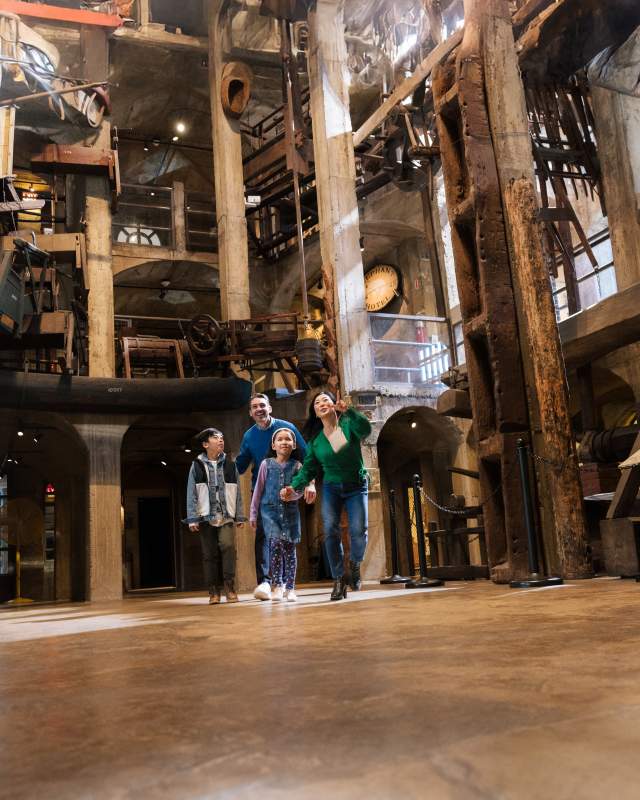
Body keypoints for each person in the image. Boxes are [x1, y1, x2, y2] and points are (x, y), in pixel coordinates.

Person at [282, 392, 371, 602]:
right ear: (315, 411)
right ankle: (339, 578)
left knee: (359, 530)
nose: (321, 403)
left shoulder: (348, 424)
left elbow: (366, 430)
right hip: (331, 487)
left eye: (325, 400)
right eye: (317, 402)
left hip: (356, 485)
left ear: (333, 405)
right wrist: (293, 487)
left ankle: (355, 564)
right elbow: (309, 469)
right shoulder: (316, 441)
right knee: (330, 531)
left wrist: (348, 410)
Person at [236, 393, 315, 601]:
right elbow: (240, 465)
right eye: (255, 407)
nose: (259, 409)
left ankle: (288, 585)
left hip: (290, 492)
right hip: (263, 493)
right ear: (251, 413)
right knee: (265, 538)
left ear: (270, 408)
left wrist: (310, 483)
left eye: (263, 405)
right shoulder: (249, 436)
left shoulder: (287, 428)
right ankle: (266, 582)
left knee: (288, 543)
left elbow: (307, 458)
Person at [185, 428, 246, 605]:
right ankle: (213, 591)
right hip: (205, 516)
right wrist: (192, 518)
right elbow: (191, 493)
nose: (220, 440)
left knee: (228, 547)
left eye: (222, 437)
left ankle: (230, 587)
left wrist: (239, 516)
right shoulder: (196, 465)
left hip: (226, 515)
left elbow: (237, 492)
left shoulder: (230, 464)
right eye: (215, 438)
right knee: (209, 554)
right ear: (205, 444)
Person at [249, 428, 306, 603]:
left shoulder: (298, 466)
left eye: (288, 439)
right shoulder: (266, 464)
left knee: (289, 550)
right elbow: (258, 490)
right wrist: (253, 514)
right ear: (273, 445)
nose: (284, 442)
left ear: (294, 444)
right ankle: (277, 586)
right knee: (274, 547)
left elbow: (300, 491)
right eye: (279, 439)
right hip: (270, 513)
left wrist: (293, 495)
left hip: (290, 514)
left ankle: (290, 588)